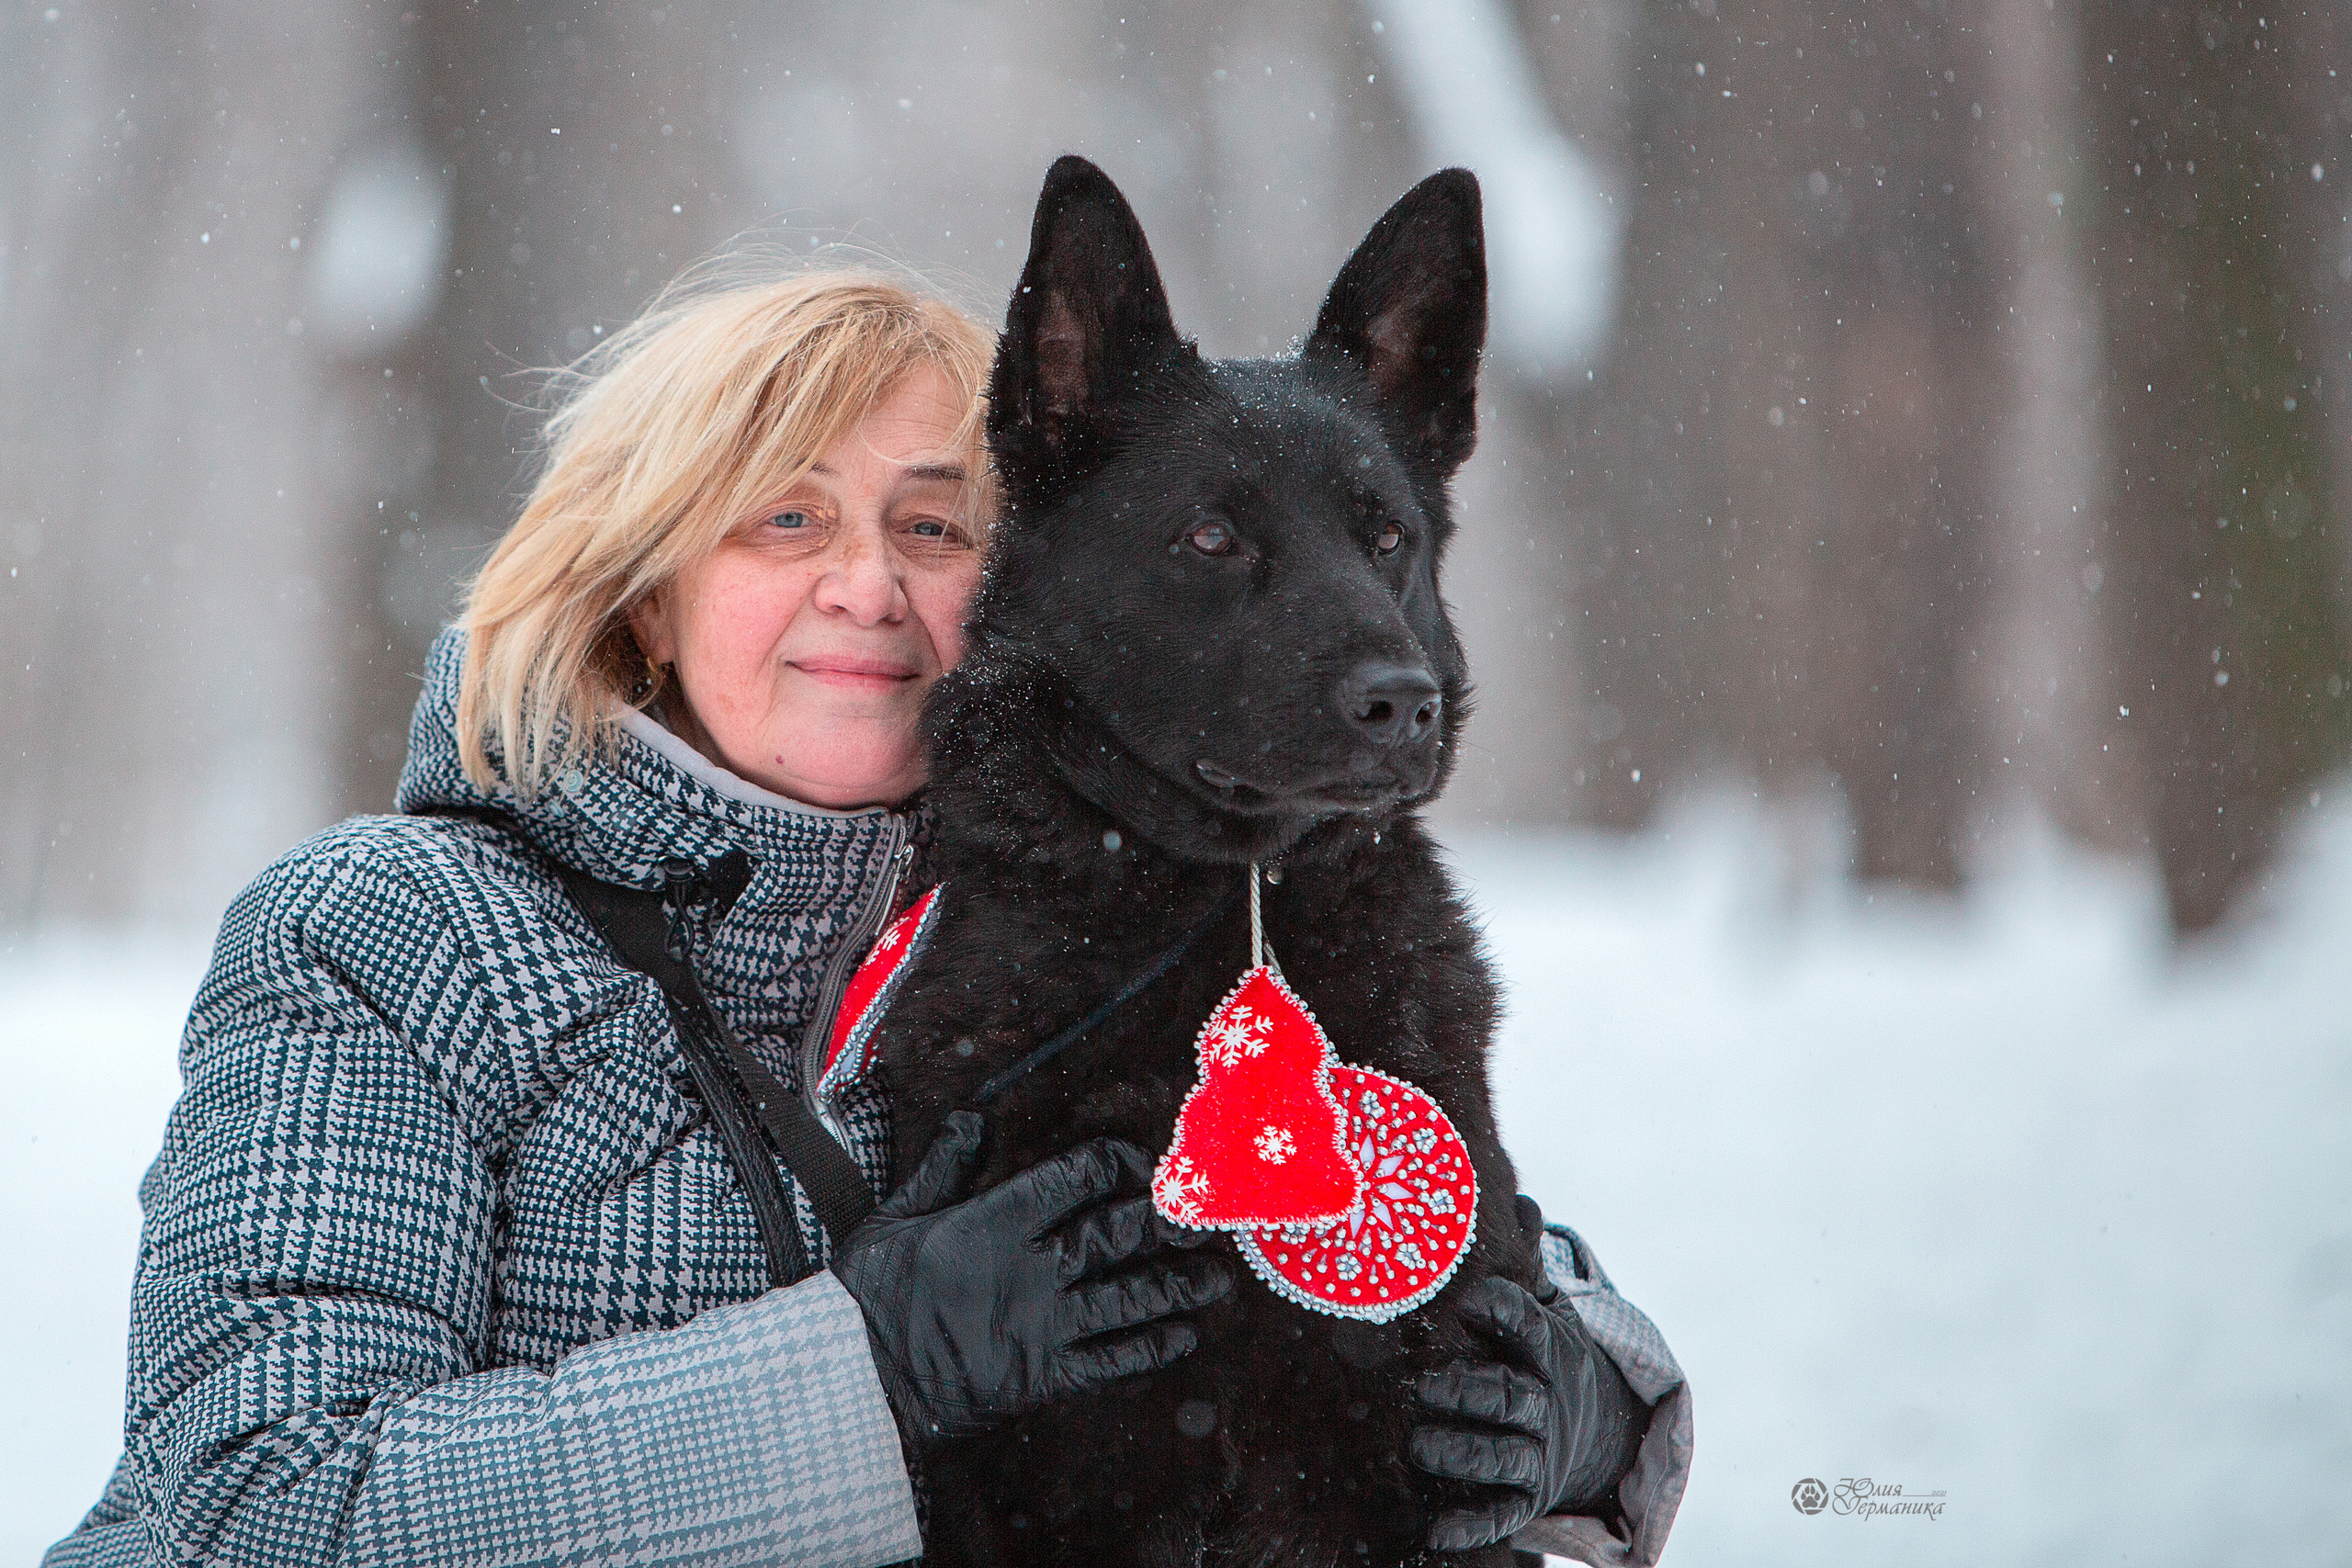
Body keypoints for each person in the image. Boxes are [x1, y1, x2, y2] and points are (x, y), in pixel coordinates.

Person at [43, 268, 1690, 1568]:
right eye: (786, 519)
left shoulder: (1097, 899)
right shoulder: (392, 931)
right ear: (644, 589)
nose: (867, 585)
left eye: (933, 524)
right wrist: (865, 1375)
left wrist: (1593, 1412)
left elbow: (1388, 1219)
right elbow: (261, 1498)